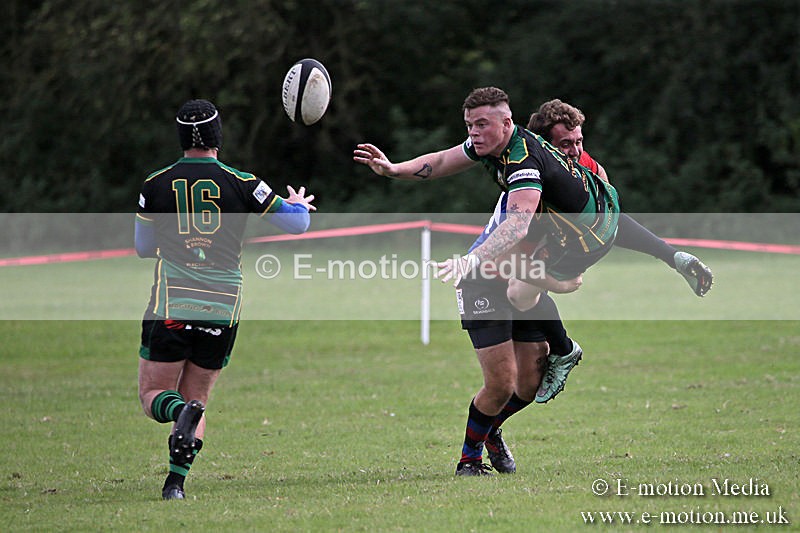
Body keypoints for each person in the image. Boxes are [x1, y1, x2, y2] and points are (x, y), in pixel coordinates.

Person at [354, 87, 619, 476]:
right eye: (470, 125)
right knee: (501, 382)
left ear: (506, 123)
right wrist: (395, 169)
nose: (474, 133)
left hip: (497, 268)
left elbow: (518, 223)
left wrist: (473, 259)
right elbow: (444, 160)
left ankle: (491, 430)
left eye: (482, 124)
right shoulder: (493, 147)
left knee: (529, 384)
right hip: (483, 279)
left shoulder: (525, 161)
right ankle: (468, 460)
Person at [135, 99, 316, 500]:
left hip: (172, 302)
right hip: (223, 305)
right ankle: (174, 484)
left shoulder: (155, 184)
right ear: (219, 137)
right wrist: (298, 205)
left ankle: (177, 416)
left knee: (153, 395)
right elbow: (297, 224)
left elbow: (143, 247)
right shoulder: (244, 182)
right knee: (196, 399)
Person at [505, 98, 713, 310]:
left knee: (517, 291)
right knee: (523, 295)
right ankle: (674, 257)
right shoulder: (536, 174)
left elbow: (607, 212)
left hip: (573, 244)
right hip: (559, 240)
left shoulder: (569, 166)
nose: (576, 151)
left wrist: (557, 283)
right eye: (566, 144)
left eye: (578, 141)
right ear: (544, 146)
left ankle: (563, 344)